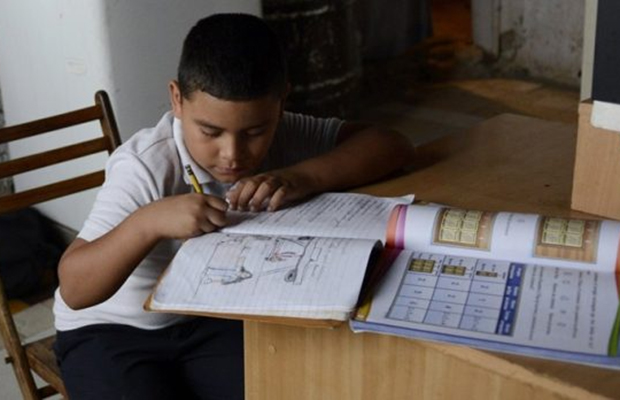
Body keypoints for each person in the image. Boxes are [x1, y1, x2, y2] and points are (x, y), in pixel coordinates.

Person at [53, 13, 415, 400]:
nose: (233, 154)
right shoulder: (145, 165)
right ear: (177, 99)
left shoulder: (286, 132)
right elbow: (75, 289)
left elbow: (391, 145)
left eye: (255, 132)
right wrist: (148, 223)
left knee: (298, 385)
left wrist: (302, 177)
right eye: (210, 132)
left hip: (211, 317)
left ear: (281, 103)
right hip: (112, 332)